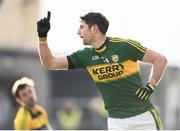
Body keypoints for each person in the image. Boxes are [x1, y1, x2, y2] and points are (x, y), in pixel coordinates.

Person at [37, 11, 167, 130]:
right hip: (116, 123)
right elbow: (49, 63)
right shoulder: (84, 56)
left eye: (82, 27)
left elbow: (160, 59)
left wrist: (151, 84)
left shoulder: (124, 46)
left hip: (143, 118)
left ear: (94, 29)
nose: (78, 32)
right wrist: (42, 38)